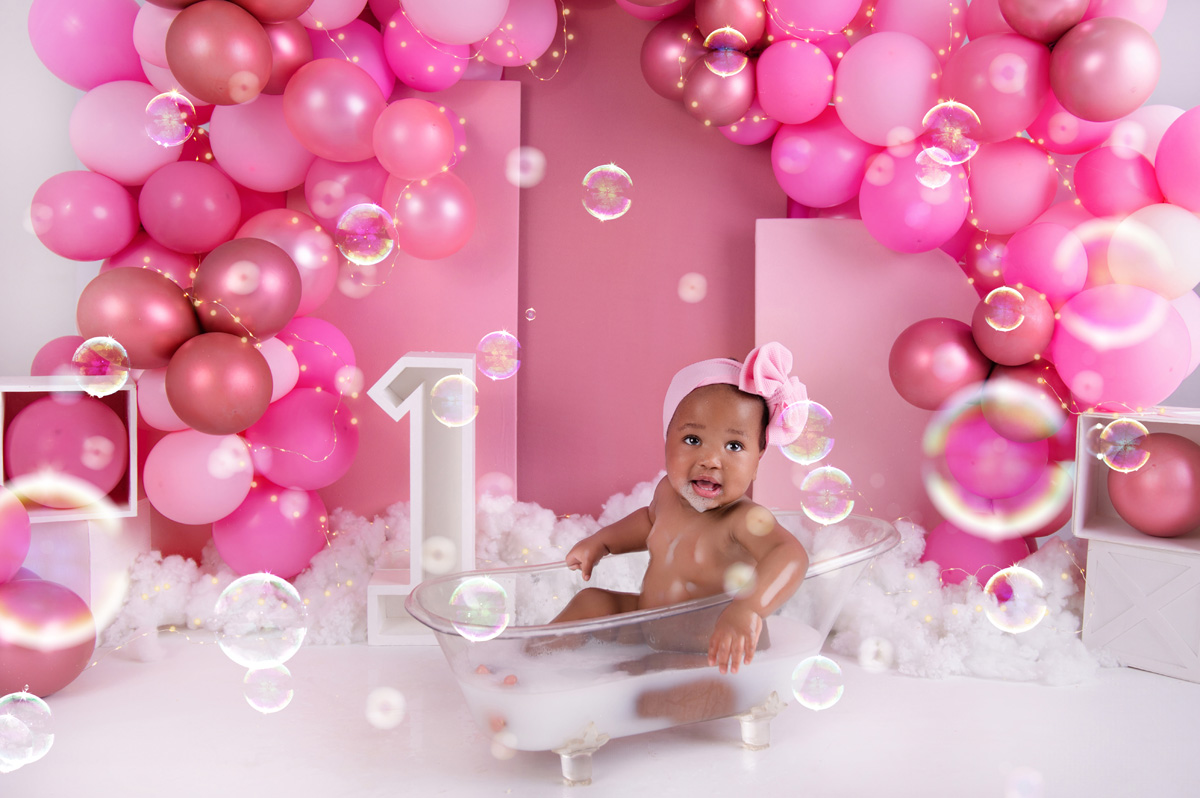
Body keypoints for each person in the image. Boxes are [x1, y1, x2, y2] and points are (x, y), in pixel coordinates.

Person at [553, 342, 811, 675]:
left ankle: (646, 693)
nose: (710, 459)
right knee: (592, 602)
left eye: (734, 446)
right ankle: (530, 661)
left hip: (712, 647)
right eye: (692, 440)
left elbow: (791, 554)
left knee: (666, 687)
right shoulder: (667, 494)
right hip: (653, 628)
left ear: (757, 460)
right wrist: (601, 542)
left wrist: (748, 609)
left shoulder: (744, 519)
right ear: (666, 441)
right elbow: (648, 521)